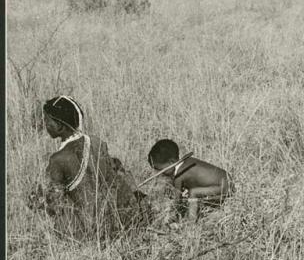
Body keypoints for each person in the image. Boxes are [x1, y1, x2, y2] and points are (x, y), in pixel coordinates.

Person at [30, 96, 151, 243]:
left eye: (47, 119)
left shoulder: (58, 159)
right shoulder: (96, 142)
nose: (45, 123)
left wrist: (35, 199)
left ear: (60, 126)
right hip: (115, 222)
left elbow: (53, 204)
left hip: (87, 232)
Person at [147, 139, 232, 221]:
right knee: (192, 192)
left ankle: (191, 222)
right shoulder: (188, 161)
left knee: (193, 192)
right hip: (228, 180)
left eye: (161, 170)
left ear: (171, 162)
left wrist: (170, 215)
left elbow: (177, 201)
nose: (161, 173)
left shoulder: (179, 175)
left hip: (223, 187)